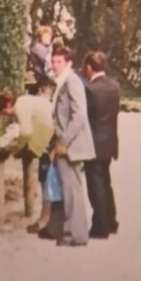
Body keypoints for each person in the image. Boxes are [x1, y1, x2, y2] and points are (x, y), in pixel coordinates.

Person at [0, 85, 60, 235]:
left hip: (50, 138)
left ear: (9, 104)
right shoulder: (24, 101)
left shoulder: (20, 106)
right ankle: (46, 218)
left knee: (47, 180)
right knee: (46, 180)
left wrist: (18, 149)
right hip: (48, 135)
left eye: (5, 112)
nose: (6, 116)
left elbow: (26, 132)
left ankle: (46, 220)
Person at [49, 45, 96, 246]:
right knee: (69, 189)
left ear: (68, 63)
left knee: (72, 190)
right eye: (53, 61)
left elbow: (79, 116)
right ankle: (70, 231)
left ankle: (77, 235)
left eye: (59, 62)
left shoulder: (72, 81)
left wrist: (64, 142)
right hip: (65, 144)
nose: (54, 65)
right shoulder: (62, 82)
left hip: (70, 146)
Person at [81, 51, 120, 239]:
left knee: (95, 185)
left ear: (88, 68)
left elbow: (86, 116)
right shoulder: (114, 86)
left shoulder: (90, 89)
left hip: (93, 142)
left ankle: (101, 225)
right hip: (110, 141)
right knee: (106, 182)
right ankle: (111, 220)